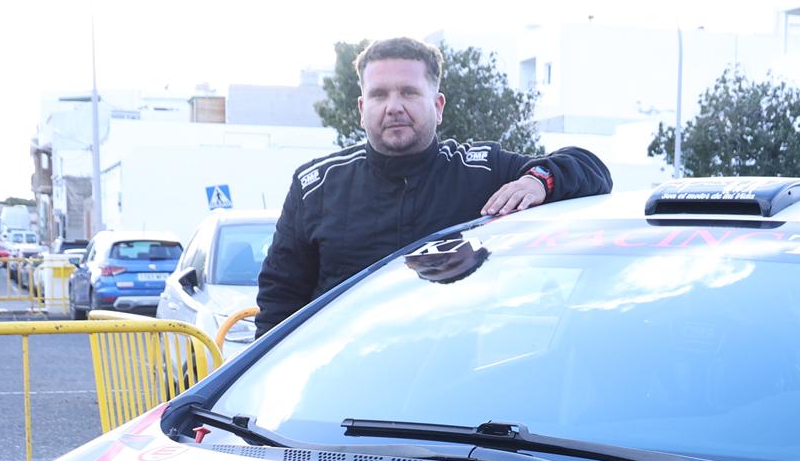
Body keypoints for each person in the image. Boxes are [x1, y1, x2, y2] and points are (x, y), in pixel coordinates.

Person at [253, 37, 614, 332]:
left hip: (448, 394)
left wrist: (539, 181)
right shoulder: (315, 186)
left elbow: (591, 168)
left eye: (409, 92)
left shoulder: (482, 171)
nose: (393, 106)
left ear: (438, 105)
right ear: (361, 108)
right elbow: (279, 302)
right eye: (379, 95)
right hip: (332, 390)